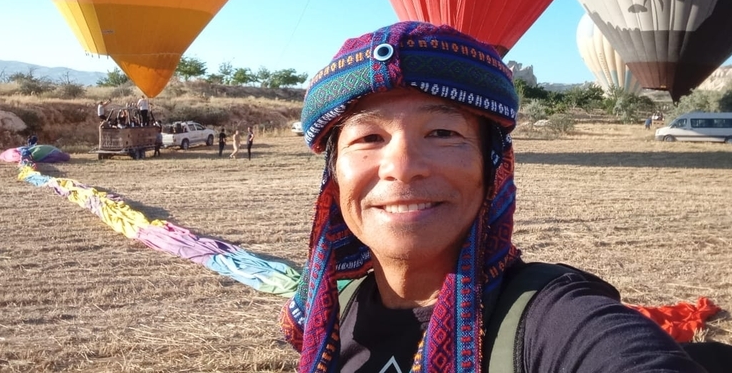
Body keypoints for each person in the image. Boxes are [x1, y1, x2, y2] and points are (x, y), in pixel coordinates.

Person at [280, 22, 707, 372]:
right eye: (369, 137)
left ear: (495, 166)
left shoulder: (555, 322)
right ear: (333, 175)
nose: (403, 166)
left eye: (443, 133)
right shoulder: (336, 307)